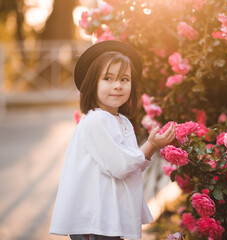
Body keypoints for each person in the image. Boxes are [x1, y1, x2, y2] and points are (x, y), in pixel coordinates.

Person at [49, 40, 176, 240]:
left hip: (109, 218)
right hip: (95, 221)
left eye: (124, 79)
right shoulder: (96, 120)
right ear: (92, 84)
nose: (117, 85)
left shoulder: (121, 121)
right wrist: (151, 144)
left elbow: (131, 165)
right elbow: (121, 165)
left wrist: (151, 147)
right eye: (108, 78)